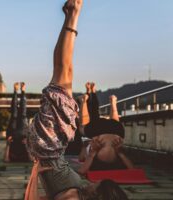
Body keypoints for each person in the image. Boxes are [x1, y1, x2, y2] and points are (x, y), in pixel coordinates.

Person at [25, 1, 129, 199]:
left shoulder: (73, 198)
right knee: (63, 75)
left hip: (49, 148)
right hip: (52, 149)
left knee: (64, 75)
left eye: (98, 185)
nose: (95, 181)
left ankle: (73, 14)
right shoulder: (80, 193)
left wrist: (35, 173)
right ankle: (70, 16)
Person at [77, 83, 134, 174]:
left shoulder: (113, 160)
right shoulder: (94, 158)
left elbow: (132, 170)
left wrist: (120, 153)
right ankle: (83, 101)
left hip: (116, 132)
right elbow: (81, 169)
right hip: (98, 133)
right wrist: (91, 152)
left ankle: (113, 103)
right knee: (82, 127)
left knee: (115, 124)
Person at [4, 82, 29, 162]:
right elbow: (32, 159)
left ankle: (18, 91)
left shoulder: (13, 157)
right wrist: (27, 144)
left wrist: (8, 144)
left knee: (16, 114)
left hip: (13, 135)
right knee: (20, 114)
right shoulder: (25, 158)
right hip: (21, 135)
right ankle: (21, 91)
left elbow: (6, 160)